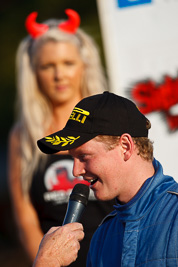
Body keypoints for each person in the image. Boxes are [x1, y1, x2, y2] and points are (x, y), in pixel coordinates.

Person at [7, 9, 114, 266]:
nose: (59, 75)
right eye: (48, 66)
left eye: (68, 63)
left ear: (83, 65)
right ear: (33, 71)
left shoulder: (110, 119)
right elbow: (26, 220)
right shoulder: (22, 135)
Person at [37, 91, 178, 266]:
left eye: (84, 156)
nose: (76, 171)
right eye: (72, 158)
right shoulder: (102, 237)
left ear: (125, 147)